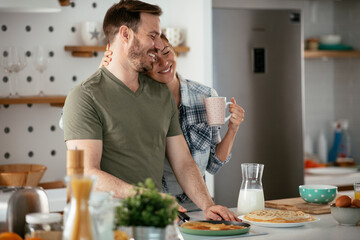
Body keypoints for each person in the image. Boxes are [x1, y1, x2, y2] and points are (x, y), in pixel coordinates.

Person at [62, 0, 239, 221]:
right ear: (125, 34)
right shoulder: (85, 96)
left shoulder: (160, 94)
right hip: (106, 223)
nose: (157, 45)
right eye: (152, 35)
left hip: (155, 220)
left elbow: (183, 162)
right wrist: (148, 197)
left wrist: (207, 205)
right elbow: (85, 173)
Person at [100, 34, 245, 211]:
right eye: (153, 58)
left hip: (197, 205)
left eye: (167, 52)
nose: (163, 62)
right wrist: (104, 76)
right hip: (154, 205)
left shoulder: (204, 96)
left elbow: (213, 165)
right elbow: (74, 121)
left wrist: (233, 129)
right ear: (144, 65)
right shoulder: (135, 99)